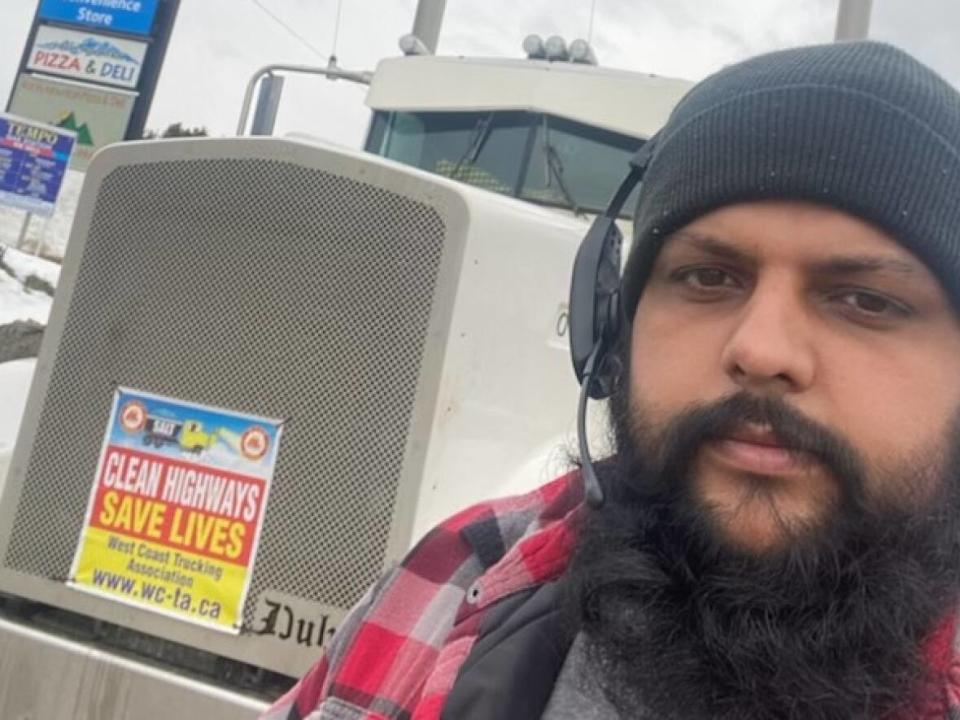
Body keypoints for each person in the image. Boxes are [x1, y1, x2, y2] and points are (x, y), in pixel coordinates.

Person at [265, 40, 960, 720]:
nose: (760, 350)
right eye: (708, 277)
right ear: (612, 330)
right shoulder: (456, 576)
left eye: (866, 300)